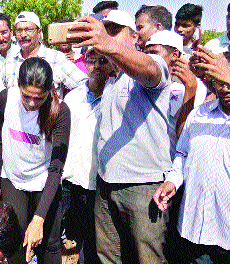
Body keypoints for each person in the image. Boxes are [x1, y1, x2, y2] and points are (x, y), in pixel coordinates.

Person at [68, 10, 174, 263]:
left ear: (135, 36)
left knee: (148, 259)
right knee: (108, 258)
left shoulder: (148, 66)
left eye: (114, 30)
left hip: (143, 187)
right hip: (106, 186)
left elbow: (150, 71)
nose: (106, 36)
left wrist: (107, 44)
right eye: (104, 30)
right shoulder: (111, 79)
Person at [153, 47, 230, 264]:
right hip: (192, 228)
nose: (225, 88)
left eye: (228, 80)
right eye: (219, 82)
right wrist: (172, 181)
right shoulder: (199, 114)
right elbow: (183, 154)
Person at [0, 57, 71, 264]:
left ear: (50, 90)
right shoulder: (4, 100)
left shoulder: (60, 112)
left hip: (45, 180)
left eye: (39, 98)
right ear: (18, 84)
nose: (32, 103)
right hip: (13, 178)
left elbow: (56, 167)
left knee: (50, 243)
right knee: (16, 243)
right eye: (26, 96)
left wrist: (39, 217)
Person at [61, 47, 114, 264]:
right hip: (69, 175)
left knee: (92, 236)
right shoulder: (73, 97)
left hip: (97, 180)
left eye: (104, 60)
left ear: (112, 64)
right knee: (60, 227)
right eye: (92, 60)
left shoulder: (116, 97)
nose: (97, 66)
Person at [2, 11, 87, 99]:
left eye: (28, 30)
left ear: (39, 32)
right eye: (19, 30)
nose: (23, 35)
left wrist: (66, 105)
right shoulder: (9, 63)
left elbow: (84, 85)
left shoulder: (56, 58)